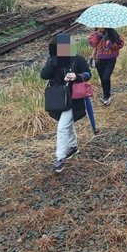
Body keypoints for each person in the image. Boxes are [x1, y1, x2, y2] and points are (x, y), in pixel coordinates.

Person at [40, 34, 91, 173]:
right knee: (66, 124)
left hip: (74, 98)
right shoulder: (53, 60)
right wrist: (52, 62)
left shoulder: (78, 59)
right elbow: (44, 75)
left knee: (62, 127)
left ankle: (60, 158)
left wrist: (77, 76)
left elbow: (88, 74)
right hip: (58, 97)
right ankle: (73, 147)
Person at [88, 28, 125, 106]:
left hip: (110, 60)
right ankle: (106, 95)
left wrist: (111, 44)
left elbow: (120, 44)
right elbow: (92, 44)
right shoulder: (96, 34)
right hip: (99, 60)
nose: (101, 27)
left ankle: (107, 96)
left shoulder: (113, 33)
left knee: (106, 78)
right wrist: (98, 35)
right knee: (102, 79)